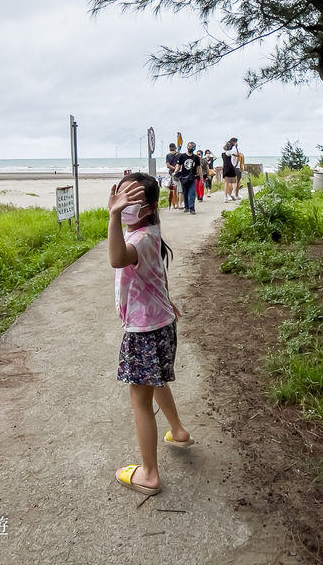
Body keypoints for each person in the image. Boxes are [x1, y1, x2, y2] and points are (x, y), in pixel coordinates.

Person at [107, 173, 193, 496]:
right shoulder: (152, 232)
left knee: (139, 399)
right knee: (154, 381)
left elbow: (117, 258)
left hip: (144, 331)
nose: (125, 205)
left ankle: (150, 474)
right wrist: (167, 300)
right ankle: (179, 431)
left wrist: (114, 216)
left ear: (150, 207)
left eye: (132, 202)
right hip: (161, 323)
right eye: (120, 197)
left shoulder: (138, 240)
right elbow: (159, 274)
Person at [176, 141, 200, 214]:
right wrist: (175, 171)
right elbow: (178, 165)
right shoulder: (182, 156)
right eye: (189, 146)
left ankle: (192, 208)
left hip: (192, 177)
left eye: (192, 147)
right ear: (187, 147)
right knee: (185, 193)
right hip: (184, 177)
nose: (190, 148)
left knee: (192, 193)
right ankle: (186, 206)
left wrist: (201, 177)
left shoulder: (196, 157)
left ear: (194, 148)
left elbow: (199, 168)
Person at [165, 143, 181, 210]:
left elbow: (180, 163)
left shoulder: (179, 155)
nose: (172, 149)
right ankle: (174, 204)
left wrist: (177, 168)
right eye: (171, 148)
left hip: (179, 174)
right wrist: (174, 168)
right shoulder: (168, 156)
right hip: (172, 174)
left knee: (179, 190)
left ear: (175, 148)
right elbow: (168, 165)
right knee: (173, 190)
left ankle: (178, 204)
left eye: (172, 148)